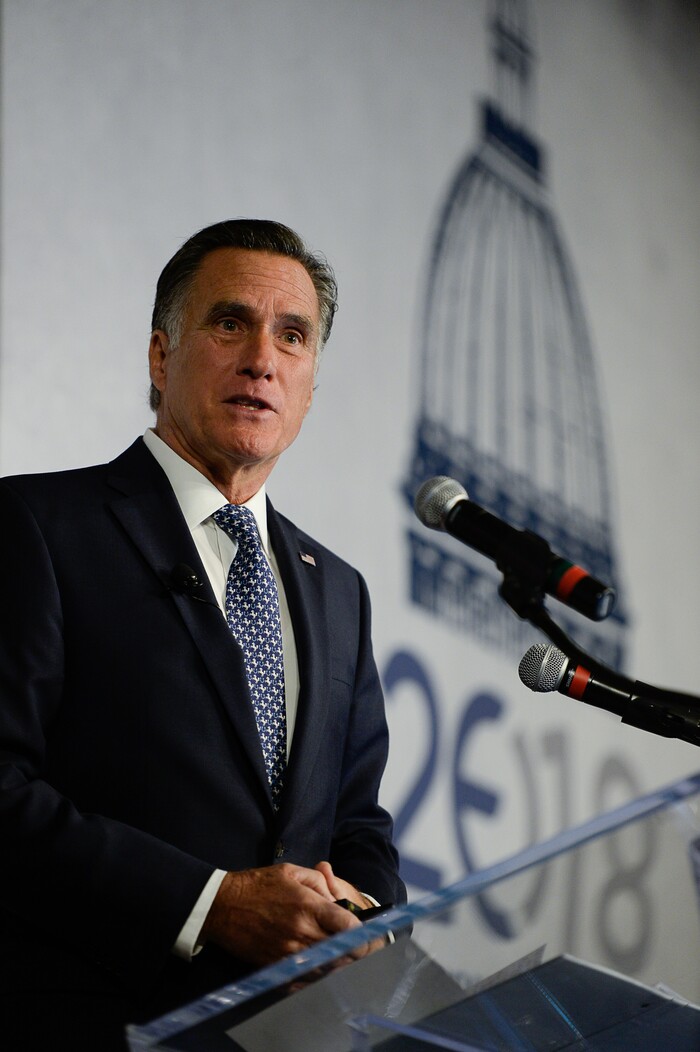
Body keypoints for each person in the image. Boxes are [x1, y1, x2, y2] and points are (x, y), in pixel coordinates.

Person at [0, 219, 404, 1049]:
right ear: (160, 356)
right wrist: (209, 902)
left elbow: (356, 827)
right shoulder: (37, 527)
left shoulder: (342, 596)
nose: (263, 358)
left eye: (292, 337)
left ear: (310, 385)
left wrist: (364, 921)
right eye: (231, 323)